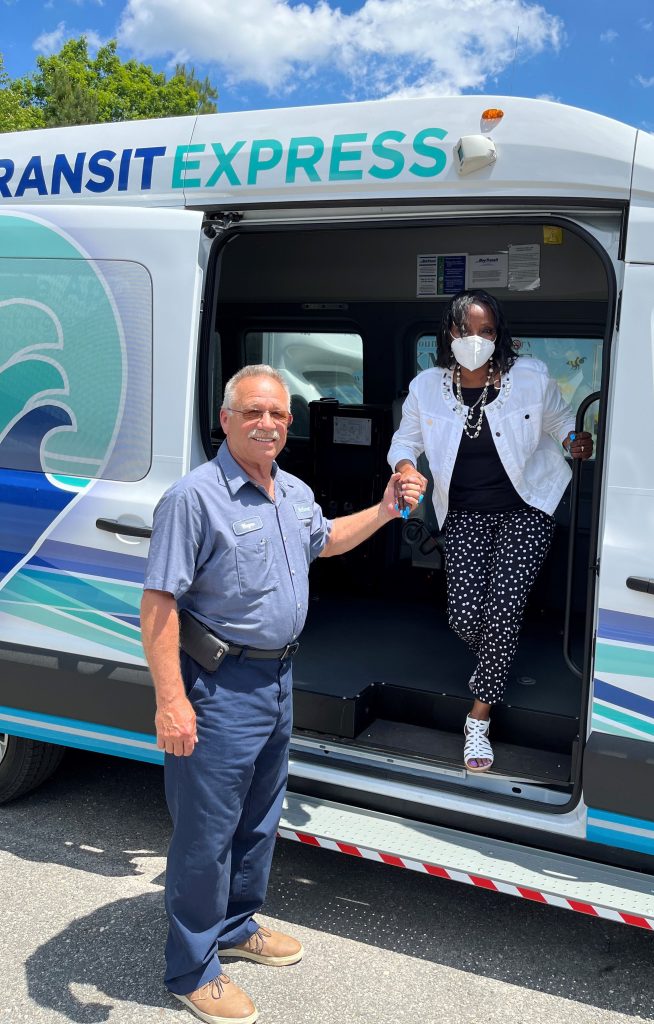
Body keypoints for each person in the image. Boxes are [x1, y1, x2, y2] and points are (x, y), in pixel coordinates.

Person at [140, 364, 421, 1024]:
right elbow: (158, 606)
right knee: (205, 836)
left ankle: (236, 927)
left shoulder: (291, 490)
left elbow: (325, 542)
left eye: (279, 414)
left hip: (277, 679)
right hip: (217, 686)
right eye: (254, 412)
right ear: (226, 419)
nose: (268, 422)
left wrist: (385, 509)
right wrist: (172, 701)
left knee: (259, 818)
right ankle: (191, 969)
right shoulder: (195, 497)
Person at [387, 290, 593, 774]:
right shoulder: (426, 388)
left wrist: (572, 440)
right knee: (463, 615)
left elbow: (561, 423)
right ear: (449, 333)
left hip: (528, 507)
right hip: (463, 513)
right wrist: (403, 467)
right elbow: (405, 440)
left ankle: (478, 716)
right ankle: (500, 652)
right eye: (466, 330)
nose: (476, 340)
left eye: (487, 331)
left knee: (502, 606)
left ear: (498, 336)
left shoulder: (529, 378)